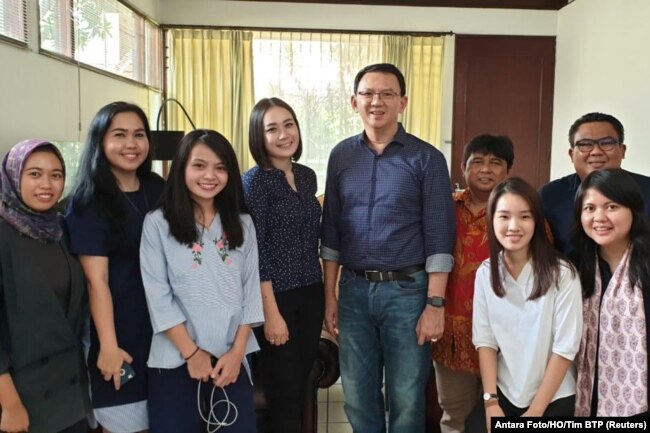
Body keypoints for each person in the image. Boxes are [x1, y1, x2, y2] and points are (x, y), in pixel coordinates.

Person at [321, 63, 456, 432]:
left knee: (407, 398)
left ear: (403, 102)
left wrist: (435, 304)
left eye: (387, 94)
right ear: (354, 102)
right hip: (353, 291)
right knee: (357, 396)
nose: (376, 101)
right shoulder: (341, 156)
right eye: (367, 93)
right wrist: (330, 298)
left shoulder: (426, 158)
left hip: (408, 293)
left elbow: (440, 237)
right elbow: (331, 231)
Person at [139, 129, 263, 433]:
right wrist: (192, 354)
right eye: (199, 165)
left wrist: (236, 353)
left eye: (220, 167)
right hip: (176, 361)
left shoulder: (243, 223)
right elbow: (158, 296)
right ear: (181, 167)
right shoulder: (157, 223)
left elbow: (251, 292)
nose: (210, 175)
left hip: (231, 361)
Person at [65, 101, 165, 433]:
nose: (131, 144)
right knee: (125, 425)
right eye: (119, 135)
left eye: (139, 134)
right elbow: (97, 282)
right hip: (119, 333)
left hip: (164, 331)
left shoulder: (158, 189)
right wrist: (107, 345)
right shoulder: (89, 201)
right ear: (100, 140)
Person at [465, 177, 582, 433]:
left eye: (525, 217)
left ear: (537, 221)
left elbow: (565, 348)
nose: (513, 226)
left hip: (553, 395)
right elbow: (485, 341)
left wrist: (536, 412)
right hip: (506, 392)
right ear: (492, 220)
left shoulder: (562, 273)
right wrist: (490, 402)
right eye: (504, 216)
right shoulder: (487, 272)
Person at [242, 97, 324, 433]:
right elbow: (255, 251)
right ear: (258, 137)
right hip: (276, 298)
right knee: (283, 396)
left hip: (310, 292)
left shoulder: (306, 176)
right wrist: (270, 313)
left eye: (288, 125)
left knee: (300, 385)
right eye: (271, 128)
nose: (283, 134)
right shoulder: (254, 182)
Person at [0, 139, 89, 433]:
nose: (47, 184)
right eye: (34, 174)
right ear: (13, 177)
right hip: (21, 396)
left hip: (69, 393)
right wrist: (9, 404)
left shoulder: (60, 229)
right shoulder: (4, 235)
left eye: (56, 175)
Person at [431, 134, 513, 433]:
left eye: (495, 163)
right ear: (463, 167)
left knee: (504, 415)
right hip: (453, 334)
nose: (485, 169)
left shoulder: (520, 212)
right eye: (477, 161)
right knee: (454, 416)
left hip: (506, 337)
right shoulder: (444, 208)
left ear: (508, 171)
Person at [572, 169, 650, 416]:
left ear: (633, 210)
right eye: (590, 208)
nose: (600, 217)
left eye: (612, 206)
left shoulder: (646, 264)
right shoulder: (573, 266)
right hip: (585, 394)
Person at [540, 112, 650, 256]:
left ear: (622, 151)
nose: (596, 151)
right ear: (571, 154)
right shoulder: (549, 195)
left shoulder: (647, 189)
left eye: (607, 143)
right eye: (585, 144)